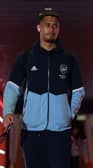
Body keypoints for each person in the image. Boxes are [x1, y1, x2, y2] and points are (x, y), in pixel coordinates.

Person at [2, 8, 85, 168]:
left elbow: (78, 91)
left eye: (55, 25)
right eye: (47, 25)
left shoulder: (69, 59)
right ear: (39, 27)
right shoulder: (26, 57)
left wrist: (70, 114)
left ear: (59, 29)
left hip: (60, 133)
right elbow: (12, 87)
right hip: (32, 132)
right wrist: (8, 112)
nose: (51, 29)